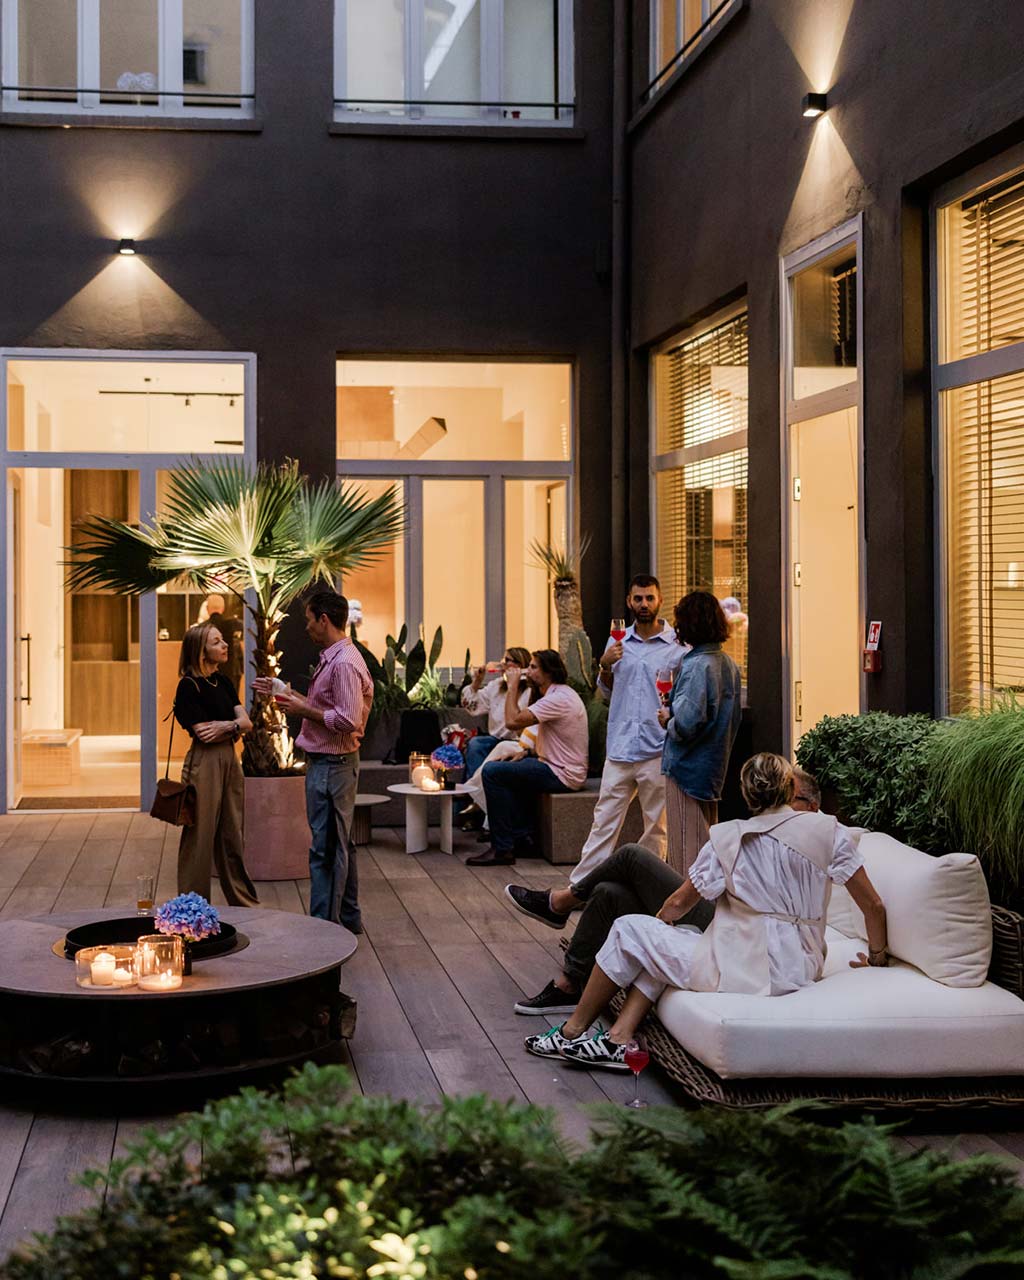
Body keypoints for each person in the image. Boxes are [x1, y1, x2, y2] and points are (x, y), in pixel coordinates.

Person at [524, 753, 888, 1070]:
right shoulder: (829, 830)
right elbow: (873, 905)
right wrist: (877, 957)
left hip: (742, 969)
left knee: (629, 930)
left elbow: (679, 903)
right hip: (801, 965)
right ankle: (619, 1038)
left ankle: (571, 1031)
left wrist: (661, 923)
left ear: (747, 794)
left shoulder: (728, 838)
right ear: (789, 788)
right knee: (681, 938)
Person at [505, 763, 826, 1015]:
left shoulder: (818, 836)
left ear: (811, 805)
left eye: (790, 798)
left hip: (728, 929)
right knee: (608, 893)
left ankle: (561, 902)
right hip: (727, 918)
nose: (781, 804)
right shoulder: (768, 831)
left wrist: (662, 922)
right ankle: (569, 985)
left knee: (632, 856)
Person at [253, 589, 372, 931]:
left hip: (332, 765)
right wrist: (287, 693)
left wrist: (302, 710)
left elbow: (347, 720)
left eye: (309, 620)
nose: (306, 627)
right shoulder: (338, 657)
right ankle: (348, 919)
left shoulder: (343, 663)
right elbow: (331, 708)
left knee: (326, 850)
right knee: (340, 845)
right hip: (334, 765)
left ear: (324, 619)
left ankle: (323, 930)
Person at [467, 649, 588, 868]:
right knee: (506, 765)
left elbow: (512, 722)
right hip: (553, 765)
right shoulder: (555, 694)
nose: (527, 671)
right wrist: (526, 752)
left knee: (492, 772)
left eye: (533, 667)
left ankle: (502, 849)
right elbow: (552, 738)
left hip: (563, 773)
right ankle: (521, 838)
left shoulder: (558, 698)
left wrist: (512, 686)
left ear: (548, 672)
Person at [173, 622, 259, 907]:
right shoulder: (188, 686)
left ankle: (243, 901)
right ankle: (193, 907)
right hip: (204, 762)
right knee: (199, 835)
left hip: (230, 758)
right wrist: (233, 725)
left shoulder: (223, 682)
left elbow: (246, 722)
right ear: (201, 651)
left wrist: (227, 726)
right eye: (216, 642)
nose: (225, 645)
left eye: (223, 640)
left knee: (232, 831)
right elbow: (203, 733)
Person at [660, 591, 742, 878]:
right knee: (706, 850)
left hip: (686, 769)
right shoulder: (729, 664)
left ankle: (689, 908)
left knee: (687, 857)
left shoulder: (697, 665)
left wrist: (667, 720)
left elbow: (686, 722)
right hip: (713, 768)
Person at [458, 646, 533, 828]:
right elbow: (471, 707)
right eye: (503, 660)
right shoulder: (496, 686)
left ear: (519, 665)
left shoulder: (530, 690)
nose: (502, 664)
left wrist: (515, 684)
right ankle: (474, 796)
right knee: (476, 744)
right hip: (495, 739)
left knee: (495, 749)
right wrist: (477, 682)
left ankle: (474, 802)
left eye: (508, 661)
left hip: (517, 741)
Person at [199, 592, 244, 693]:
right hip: (230, 673)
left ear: (207, 609)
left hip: (207, 674)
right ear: (223, 608)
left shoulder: (201, 628)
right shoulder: (233, 625)